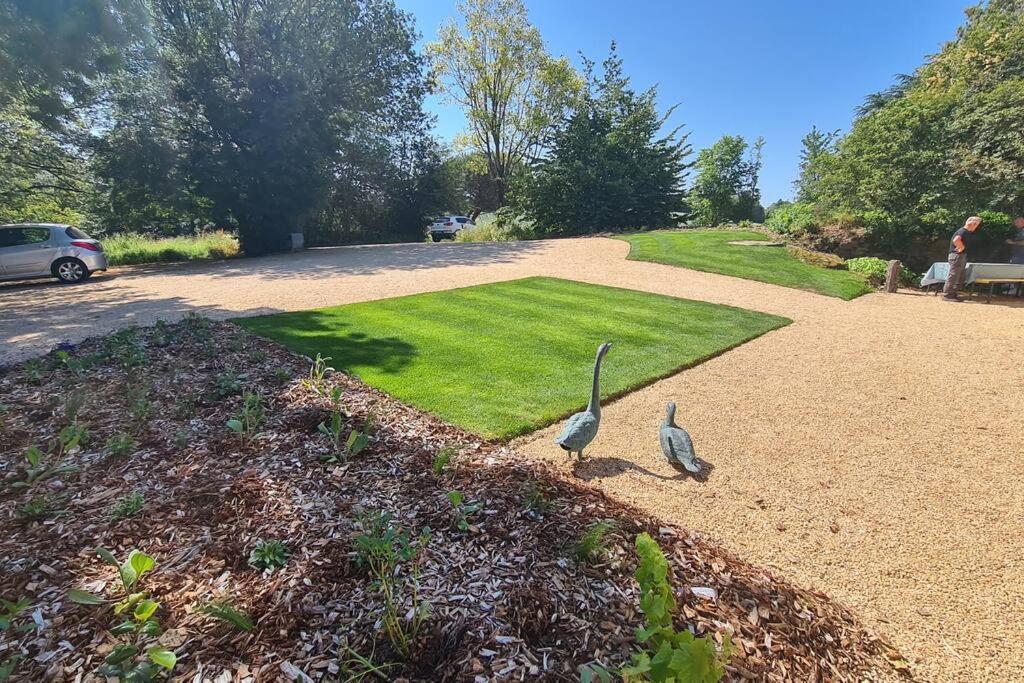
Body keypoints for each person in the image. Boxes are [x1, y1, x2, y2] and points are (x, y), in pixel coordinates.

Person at [943, 215, 982, 301]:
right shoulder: (963, 231)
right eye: (976, 224)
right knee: (954, 275)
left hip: (960, 256)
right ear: (971, 224)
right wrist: (961, 247)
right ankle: (948, 294)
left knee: (959, 276)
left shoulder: (965, 232)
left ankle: (953, 293)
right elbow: (956, 240)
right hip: (957, 256)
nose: (976, 227)